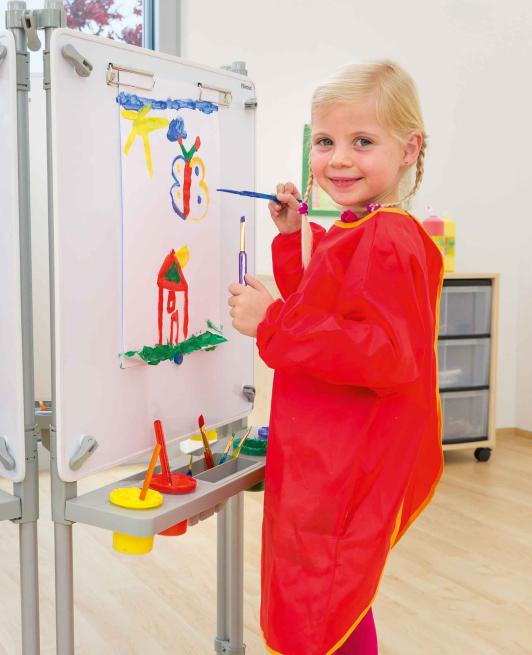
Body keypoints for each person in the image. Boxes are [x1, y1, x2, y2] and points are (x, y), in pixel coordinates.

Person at [228, 60, 444, 655]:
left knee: (324, 594)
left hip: (346, 455)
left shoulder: (389, 237)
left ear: (408, 149)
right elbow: (327, 298)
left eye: (363, 142)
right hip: (327, 446)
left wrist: (272, 322)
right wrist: (293, 235)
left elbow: (383, 353)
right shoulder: (363, 227)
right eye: (325, 141)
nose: (339, 159)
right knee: (328, 593)